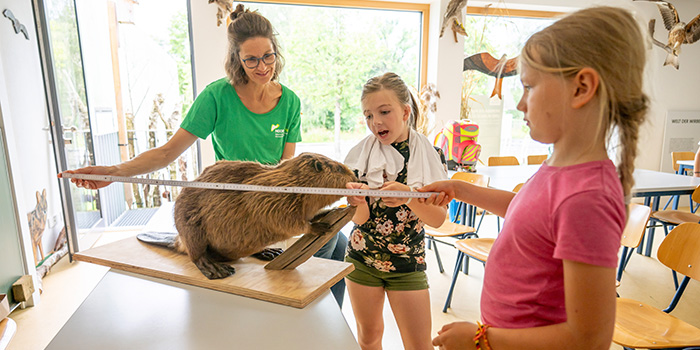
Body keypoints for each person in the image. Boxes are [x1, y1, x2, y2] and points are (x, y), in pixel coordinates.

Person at [58, 4, 347, 306]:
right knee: (314, 256)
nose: (262, 66)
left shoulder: (289, 102)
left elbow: (286, 169)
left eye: (268, 56)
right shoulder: (216, 96)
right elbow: (168, 152)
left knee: (335, 242)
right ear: (237, 59)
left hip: (266, 202)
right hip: (230, 204)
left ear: (276, 52)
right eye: (251, 60)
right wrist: (115, 173)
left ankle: (332, 325)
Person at [421, 6, 648, 350]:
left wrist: (483, 340)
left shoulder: (586, 197)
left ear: (581, 87)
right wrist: (459, 188)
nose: (520, 104)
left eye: (528, 86)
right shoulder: (560, 165)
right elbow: (529, 214)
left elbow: (589, 338)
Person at [343, 72, 448, 350]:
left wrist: (409, 198)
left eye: (384, 111)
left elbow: (437, 219)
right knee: (368, 337)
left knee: (419, 345)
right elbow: (360, 221)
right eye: (367, 115)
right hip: (361, 259)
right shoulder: (359, 157)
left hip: (407, 265)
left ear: (405, 111)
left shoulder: (431, 155)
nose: (375, 122)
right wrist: (357, 204)